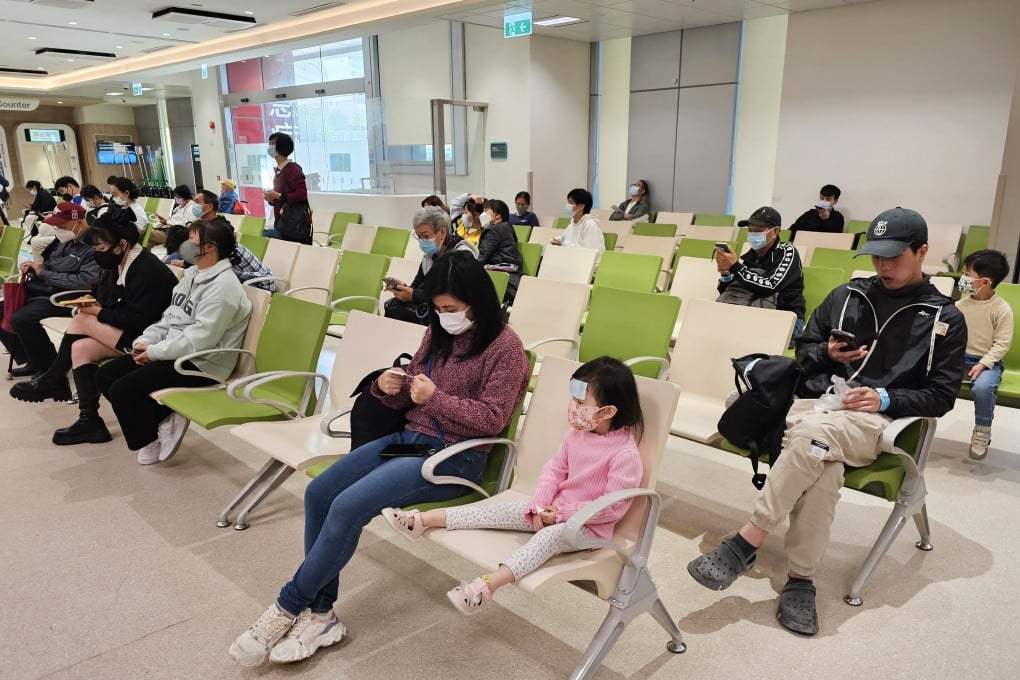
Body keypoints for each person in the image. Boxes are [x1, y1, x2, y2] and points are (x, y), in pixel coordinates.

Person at [228, 252, 531, 667]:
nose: (443, 317)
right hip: (411, 440)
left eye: (451, 309)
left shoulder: (507, 348)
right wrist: (391, 386)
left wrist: (435, 399)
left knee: (348, 506)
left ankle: (285, 608)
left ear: (477, 302)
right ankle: (321, 614)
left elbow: (494, 420)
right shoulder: (438, 333)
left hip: (457, 456)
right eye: (438, 309)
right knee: (320, 493)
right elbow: (412, 392)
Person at [687, 207, 966, 637]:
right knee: (822, 462)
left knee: (814, 439)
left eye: (894, 257)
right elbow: (804, 349)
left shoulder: (943, 318)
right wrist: (827, 355)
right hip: (815, 407)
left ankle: (748, 540)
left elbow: (943, 394)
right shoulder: (847, 296)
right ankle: (800, 579)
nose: (883, 267)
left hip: (874, 419)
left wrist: (886, 395)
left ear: (922, 251)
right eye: (876, 257)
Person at [380, 355, 643, 613]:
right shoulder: (576, 433)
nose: (573, 406)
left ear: (607, 411)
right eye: (573, 398)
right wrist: (538, 505)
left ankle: (487, 586)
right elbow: (554, 470)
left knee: (550, 537)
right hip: (552, 510)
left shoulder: (625, 455)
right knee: (500, 510)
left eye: (580, 401)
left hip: (588, 528)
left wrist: (561, 515)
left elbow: (612, 508)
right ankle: (423, 521)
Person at [96, 219, 253, 465]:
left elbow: (201, 339)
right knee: (105, 376)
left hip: (203, 363)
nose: (185, 246)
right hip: (175, 350)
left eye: (191, 242)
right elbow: (170, 318)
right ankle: (163, 418)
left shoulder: (223, 288)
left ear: (210, 248)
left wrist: (156, 352)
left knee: (123, 390)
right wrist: (146, 341)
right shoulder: (191, 275)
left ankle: (149, 437)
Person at [12, 212, 177, 441]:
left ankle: (53, 379)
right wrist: (95, 303)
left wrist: (98, 312)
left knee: (82, 320)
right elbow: (109, 299)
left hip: (150, 338)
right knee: (80, 349)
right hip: (131, 332)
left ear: (121, 244)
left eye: (100, 248)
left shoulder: (146, 270)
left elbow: (139, 319)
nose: (97, 254)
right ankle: (89, 421)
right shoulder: (119, 262)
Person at [0, 203, 100, 383]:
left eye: (62, 224)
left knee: (21, 318)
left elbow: (86, 282)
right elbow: (50, 263)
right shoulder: (65, 241)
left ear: (78, 221)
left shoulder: (94, 246)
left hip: (67, 296)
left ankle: (47, 365)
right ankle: (31, 359)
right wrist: (35, 267)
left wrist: (44, 273)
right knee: (2, 309)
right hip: (45, 288)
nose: (57, 228)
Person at [955, 249, 1013, 460]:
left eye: (967, 275)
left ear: (985, 282)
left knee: (983, 388)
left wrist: (984, 363)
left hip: (987, 362)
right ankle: (915, 423)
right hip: (958, 359)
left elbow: (1002, 344)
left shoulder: (1001, 309)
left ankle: (982, 430)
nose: (962, 280)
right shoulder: (959, 305)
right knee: (926, 377)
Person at [715, 206, 806, 336]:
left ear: (775, 232)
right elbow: (734, 291)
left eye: (758, 231)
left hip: (784, 316)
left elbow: (768, 287)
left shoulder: (786, 251)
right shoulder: (751, 255)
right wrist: (725, 274)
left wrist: (735, 266)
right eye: (750, 231)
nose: (752, 235)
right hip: (752, 312)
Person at [384, 206, 478, 325]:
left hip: (458, 316)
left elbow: (453, 295)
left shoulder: (462, 254)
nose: (422, 241)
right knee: (393, 305)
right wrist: (403, 288)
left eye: (425, 236)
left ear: (442, 233)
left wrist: (414, 295)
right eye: (419, 236)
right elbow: (418, 286)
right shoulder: (429, 256)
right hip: (435, 311)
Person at [187, 190, 275, 292]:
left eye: (197, 202)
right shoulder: (210, 229)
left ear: (209, 206)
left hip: (259, 284)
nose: (194, 205)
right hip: (241, 278)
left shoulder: (218, 233)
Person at [263, 132, 311, 244]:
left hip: (294, 226)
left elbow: (301, 195)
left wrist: (278, 196)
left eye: (272, 143)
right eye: (269, 143)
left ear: (282, 147)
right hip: (282, 223)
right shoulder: (279, 171)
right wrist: (272, 199)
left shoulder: (293, 170)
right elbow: (283, 198)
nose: (270, 146)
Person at [478, 199, 523, 302]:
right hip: (511, 271)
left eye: (486, 210)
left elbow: (482, 257)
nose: (483, 213)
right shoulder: (507, 227)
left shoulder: (493, 231)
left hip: (500, 272)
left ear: (497, 215)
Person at [552, 188, 604, 252]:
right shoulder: (572, 224)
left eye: (570, 203)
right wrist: (559, 242)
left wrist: (563, 243)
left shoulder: (590, 225)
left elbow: (589, 252)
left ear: (581, 206)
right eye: (567, 203)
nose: (567, 206)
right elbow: (566, 242)